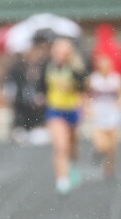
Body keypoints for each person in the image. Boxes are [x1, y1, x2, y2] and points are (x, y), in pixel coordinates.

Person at [38, 37, 87, 195]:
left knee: (72, 146)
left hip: (72, 110)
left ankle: (71, 166)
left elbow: (83, 86)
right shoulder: (47, 66)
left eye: (63, 53)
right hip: (55, 110)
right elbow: (41, 86)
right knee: (61, 146)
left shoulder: (74, 68)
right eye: (57, 52)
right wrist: (41, 98)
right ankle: (62, 179)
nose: (59, 55)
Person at [86, 54, 121, 179]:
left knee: (112, 146)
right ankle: (99, 151)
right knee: (102, 144)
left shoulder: (115, 79)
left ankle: (108, 169)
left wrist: (118, 105)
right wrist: (88, 108)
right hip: (99, 115)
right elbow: (87, 95)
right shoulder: (93, 80)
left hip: (112, 115)